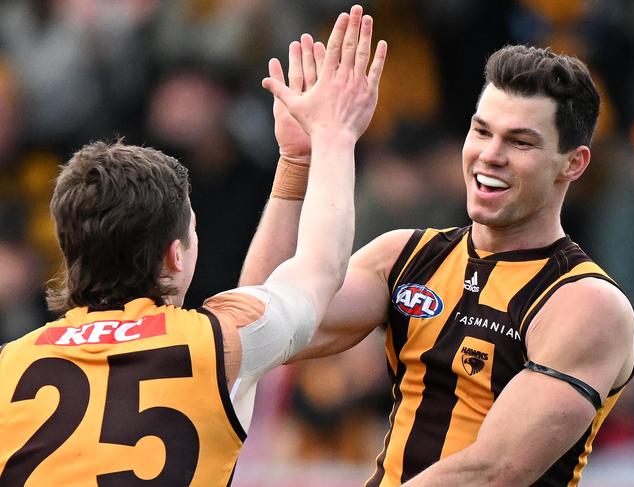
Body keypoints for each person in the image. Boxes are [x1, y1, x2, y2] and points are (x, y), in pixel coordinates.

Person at [0, 5, 387, 485]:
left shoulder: (8, 366)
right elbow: (319, 269)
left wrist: (295, 163)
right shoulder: (212, 345)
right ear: (176, 254)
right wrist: (334, 137)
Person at [240, 43, 634, 486]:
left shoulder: (586, 303)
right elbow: (259, 327)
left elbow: (494, 471)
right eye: (482, 131)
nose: (490, 154)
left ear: (574, 164)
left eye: (520, 142)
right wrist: (298, 162)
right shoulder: (403, 256)